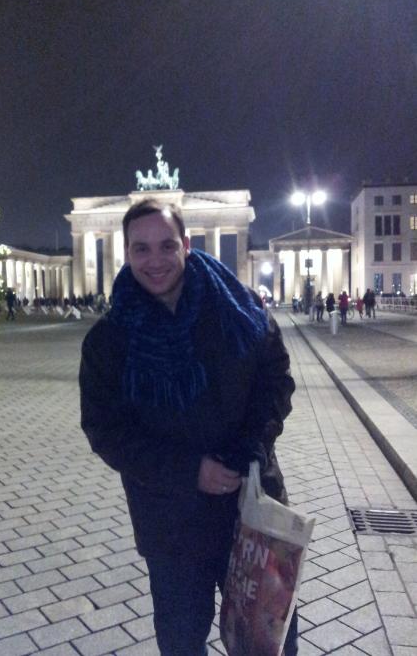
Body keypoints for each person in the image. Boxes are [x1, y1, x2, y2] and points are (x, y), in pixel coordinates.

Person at [79, 199, 297, 656]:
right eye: (141, 248)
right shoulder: (109, 340)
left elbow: (276, 380)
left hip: (252, 509)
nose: (155, 260)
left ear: (187, 244)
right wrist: (189, 470)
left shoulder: (241, 310)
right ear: (126, 252)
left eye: (166, 245)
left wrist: (253, 444)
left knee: (267, 645)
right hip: (172, 521)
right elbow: (106, 431)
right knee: (181, 644)